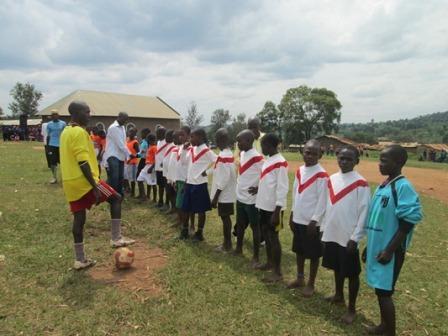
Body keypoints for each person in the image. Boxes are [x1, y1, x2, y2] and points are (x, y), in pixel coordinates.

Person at [60, 101, 135, 270]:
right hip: (84, 181)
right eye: (86, 112)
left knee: (79, 218)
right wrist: (94, 185)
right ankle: (116, 238)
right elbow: (82, 162)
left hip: (70, 183)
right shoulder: (79, 132)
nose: (89, 115)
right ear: (76, 113)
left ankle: (80, 260)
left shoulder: (66, 131)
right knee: (116, 198)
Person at [365, 145, 422, 336]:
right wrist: (368, 246)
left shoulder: (403, 186)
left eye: (384, 160)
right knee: (380, 290)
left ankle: (389, 331)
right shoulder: (385, 184)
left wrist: (390, 250)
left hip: (390, 251)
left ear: (399, 163)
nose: (379, 164)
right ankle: (384, 326)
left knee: (384, 292)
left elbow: (407, 223)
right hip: (378, 246)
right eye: (379, 159)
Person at [321, 145, 370, 323]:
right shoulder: (332, 179)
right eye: (341, 158)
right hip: (332, 232)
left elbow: (364, 212)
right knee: (336, 266)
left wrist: (356, 237)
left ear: (356, 161)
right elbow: (328, 205)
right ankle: (339, 295)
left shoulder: (361, 183)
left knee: (351, 273)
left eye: (349, 159)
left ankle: (351, 308)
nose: (344, 161)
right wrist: (324, 228)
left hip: (348, 236)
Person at [288, 140, 329, 296]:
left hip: (311, 223)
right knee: (299, 250)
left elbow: (323, 200)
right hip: (298, 218)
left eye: (314, 153)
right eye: (307, 152)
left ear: (320, 154)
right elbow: (295, 193)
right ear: (302, 152)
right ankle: (300, 278)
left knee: (313, 254)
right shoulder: (300, 170)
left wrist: (315, 220)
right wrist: (292, 213)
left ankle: (311, 283)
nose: (310, 156)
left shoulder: (322, 175)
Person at [254, 133, 289, 282]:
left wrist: (277, 211)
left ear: (270, 146)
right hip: (264, 206)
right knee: (266, 235)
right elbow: (268, 182)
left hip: (274, 209)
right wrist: (258, 189)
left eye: (263, 145)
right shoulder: (269, 160)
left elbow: (282, 188)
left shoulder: (280, 162)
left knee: (274, 238)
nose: (262, 148)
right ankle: (269, 262)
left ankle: (277, 271)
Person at [179, 128, 217, 241]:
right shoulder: (191, 149)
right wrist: (184, 150)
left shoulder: (206, 151)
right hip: (189, 183)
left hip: (200, 184)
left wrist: (208, 172)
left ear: (200, 137)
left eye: (192, 137)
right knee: (185, 208)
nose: (190, 139)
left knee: (200, 210)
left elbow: (218, 162)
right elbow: (183, 162)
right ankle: (185, 230)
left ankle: (199, 233)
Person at [234, 130, 264, 266]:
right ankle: (238, 248)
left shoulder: (257, 157)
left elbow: (265, 174)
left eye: (240, 141)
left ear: (248, 141)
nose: (238, 143)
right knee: (240, 224)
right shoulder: (242, 154)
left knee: (254, 226)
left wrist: (259, 188)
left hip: (251, 199)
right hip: (240, 196)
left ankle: (256, 256)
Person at [210, 128, 237, 252]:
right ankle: (227, 243)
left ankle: (227, 245)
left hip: (224, 194)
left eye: (217, 138)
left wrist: (216, 197)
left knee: (225, 218)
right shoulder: (226, 154)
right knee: (225, 218)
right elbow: (219, 171)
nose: (215, 141)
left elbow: (224, 178)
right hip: (226, 193)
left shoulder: (224, 155)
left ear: (222, 140)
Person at [104, 112, 130, 196]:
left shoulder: (122, 127)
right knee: (114, 177)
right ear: (119, 117)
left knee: (120, 178)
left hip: (121, 156)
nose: (125, 121)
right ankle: (111, 195)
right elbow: (120, 144)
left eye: (126, 120)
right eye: (124, 119)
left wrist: (126, 155)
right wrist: (129, 154)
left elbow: (124, 142)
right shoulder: (113, 128)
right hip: (113, 155)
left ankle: (119, 195)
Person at [175, 126, 196, 232]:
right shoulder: (181, 147)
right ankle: (182, 222)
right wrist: (175, 179)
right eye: (179, 134)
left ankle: (191, 225)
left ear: (188, 135)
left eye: (182, 134)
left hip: (186, 180)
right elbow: (178, 164)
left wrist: (187, 180)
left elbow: (190, 165)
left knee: (188, 205)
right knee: (180, 204)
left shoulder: (191, 148)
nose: (180, 137)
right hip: (179, 179)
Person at [46, 111, 67, 183]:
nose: (54, 116)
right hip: (52, 145)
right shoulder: (49, 124)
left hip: (61, 145)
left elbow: (66, 134)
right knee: (52, 162)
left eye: (55, 115)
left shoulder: (63, 123)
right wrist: (47, 147)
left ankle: (65, 177)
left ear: (58, 115)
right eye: (52, 115)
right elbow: (48, 136)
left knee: (63, 162)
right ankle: (54, 177)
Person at [136, 134, 158, 202]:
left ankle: (154, 199)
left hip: (151, 166)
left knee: (153, 183)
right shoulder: (150, 147)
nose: (147, 141)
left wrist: (152, 167)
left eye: (148, 140)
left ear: (152, 140)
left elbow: (157, 159)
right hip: (146, 166)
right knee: (139, 179)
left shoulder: (154, 147)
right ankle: (144, 196)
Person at [162, 130, 177, 212]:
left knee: (172, 192)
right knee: (168, 191)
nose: (165, 138)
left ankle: (175, 208)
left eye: (167, 136)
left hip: (171, 174)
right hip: (166, 173)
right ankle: (172, 207)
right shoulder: (168, 145)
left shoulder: (173, 146)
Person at [155, 127, 168, 208]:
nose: (156, 135)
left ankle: (166, 203)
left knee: (166, 186)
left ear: (163, 134)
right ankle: (160, 201)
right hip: (158, 168)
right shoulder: (158, 142)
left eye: (158, 133)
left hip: (164, 169)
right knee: (160, 186)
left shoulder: (167, 142)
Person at [137, 128, 151, 199]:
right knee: (148, 178)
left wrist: (134, 155)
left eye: (142, 133)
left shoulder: (145, 143)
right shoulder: (147, 142)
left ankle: (143, 194)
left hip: (143, 160)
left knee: (138, 176)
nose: (141, 135)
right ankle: (145, 195)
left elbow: (141, 153)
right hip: (146, 160)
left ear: (146, 134)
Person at [126, 128, 140, 197]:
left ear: (135, 134)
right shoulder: (127, 141)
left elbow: (139, 154)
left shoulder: (135, 142)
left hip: (133, 163)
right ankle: (128, 190)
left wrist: (132, 157)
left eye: (132, 132)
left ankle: (133, 193)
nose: (130, 133)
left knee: (133, 178)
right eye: (130, 132)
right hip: (127, 162)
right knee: (127, 177)